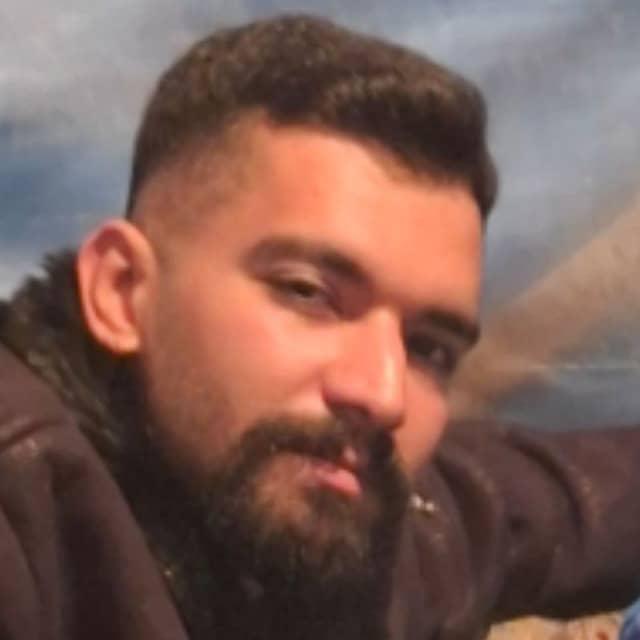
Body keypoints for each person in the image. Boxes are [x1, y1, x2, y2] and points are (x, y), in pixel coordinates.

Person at [1, 14, 639, 640]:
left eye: (428, 348)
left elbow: (548, 505)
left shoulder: (344, 512)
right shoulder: (27, 517)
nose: (383, 393)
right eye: (308, 294)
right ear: (121, 292)